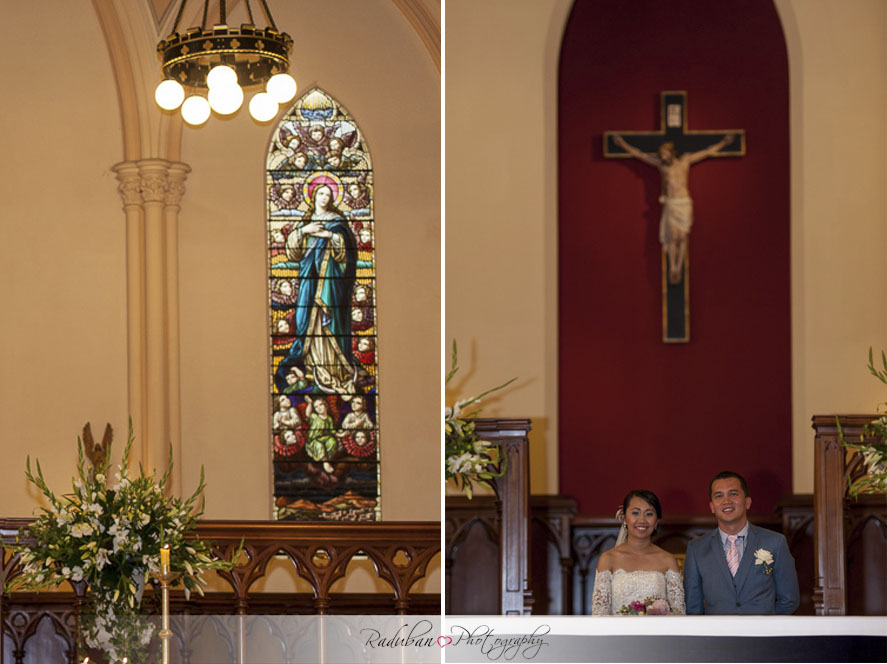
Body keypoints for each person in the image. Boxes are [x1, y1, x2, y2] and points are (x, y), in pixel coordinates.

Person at [274, 179, 358, 394]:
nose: (324, 198)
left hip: (330, 284)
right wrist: (304, 231)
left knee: (326, 322)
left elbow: (348, 255)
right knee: (305, 320)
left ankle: (333, 371)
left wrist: (329, 236)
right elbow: (292, 252)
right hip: (308, 281)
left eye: (328, 195)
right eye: (321, 194)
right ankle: (310, 365)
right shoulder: (306, 222)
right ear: (313, 196)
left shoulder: (337, 223)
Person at [613, 133, 734, 284]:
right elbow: (640, 155)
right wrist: (623, 144)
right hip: (671, 202)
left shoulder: (686, 161)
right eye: (661, 155)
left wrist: (723, 143)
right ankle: (673, 267)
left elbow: (706, 152)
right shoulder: (661, 166)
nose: (663, 158)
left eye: (664, 154)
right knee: (671, 237)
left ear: (671, 152)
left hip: (683, 202)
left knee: (682, 237)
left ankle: (679, 265)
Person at [683, 471, 800, 615]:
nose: (726, 501)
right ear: (712, 507)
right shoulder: (696, 549)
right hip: (717, 635)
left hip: (762, 635)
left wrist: (766, 628)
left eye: (733, 494)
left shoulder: (775, 542)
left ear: (747, 502)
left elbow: (789, 600)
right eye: (719, 496)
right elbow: (693, 606)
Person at [591, 489, 685, 615]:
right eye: (635, 513)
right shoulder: (608, 559)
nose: (642, 520)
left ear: (657, 521)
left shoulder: (668, 560)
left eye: (649, 514)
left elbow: (678, 613)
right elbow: (599, 614)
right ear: (624, 518)